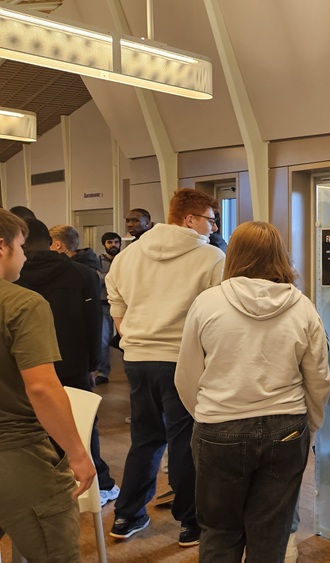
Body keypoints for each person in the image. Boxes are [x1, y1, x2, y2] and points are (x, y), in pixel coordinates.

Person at [175, 221, 330, 562]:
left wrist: (206, 414)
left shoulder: (207, 303)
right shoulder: (302, 306)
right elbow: (319, 376)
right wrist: (311, 424)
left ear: (233, 254)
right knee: (272, 533)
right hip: (286, 427)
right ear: (280, 255)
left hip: (219, 426)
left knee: (219, 530)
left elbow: (186, 375)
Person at [106, 188, 226, 547]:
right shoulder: (211, 257)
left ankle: (127, 515)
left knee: (145, 438)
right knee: (184, 442)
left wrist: (137, 341)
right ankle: (191, 522)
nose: (214, 226)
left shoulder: (128, 255)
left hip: (137, 360)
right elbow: (218, 314)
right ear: (190, 219)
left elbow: (117, 311)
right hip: (181, 361)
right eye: (210, 219)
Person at [0, 208, 95, 562]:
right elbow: (41, 387)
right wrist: (78, 454)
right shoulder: (21, 303)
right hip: (17, 453)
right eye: (21, 246)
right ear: (2, 246)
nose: (25, 257)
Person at [17, 218, 119, 507]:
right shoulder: (82, 274)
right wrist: (92, 364)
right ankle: (97, 486)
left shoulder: (13, 277)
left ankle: (44, 486)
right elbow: (93, 325)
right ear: (51, 243)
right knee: (82, 425)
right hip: (73, 363)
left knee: (33, 425)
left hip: (27, 365)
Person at [95, 232, 121, 385]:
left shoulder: (124, 259)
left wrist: (104, 276)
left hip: (123, 305)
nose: (113, 245)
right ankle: (103, 373)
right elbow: (95, 279)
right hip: (103, 304)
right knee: (103, 340)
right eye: (110, 242)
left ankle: (131, 370)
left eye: (116, 242)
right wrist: (113, 277)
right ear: (104, 244)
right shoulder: (97, 260)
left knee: (127, 339)